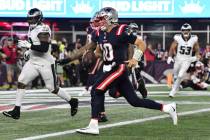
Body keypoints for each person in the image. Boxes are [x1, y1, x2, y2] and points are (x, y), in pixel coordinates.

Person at [73, 7, 177, 135]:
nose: (100, 22)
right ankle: (167, 108)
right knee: (135, 101)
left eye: (102, 19)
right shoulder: (101, 33)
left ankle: (93, 125)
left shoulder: (121, 30)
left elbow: (141, 44)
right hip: (110, 67)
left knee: (96, 90)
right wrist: (91, 56)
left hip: (119, 67)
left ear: (111, 19)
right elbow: (100, 53)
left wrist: (135, 59)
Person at [2, 8, 78, 119]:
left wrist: (28, 46)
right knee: (21, 82)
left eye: (32, 19)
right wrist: (29, 51)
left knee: (52, 88)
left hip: (45, 63)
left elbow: (44, 47)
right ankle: (16, 110)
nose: (30, 21)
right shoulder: (32, 28)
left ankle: (72, 101)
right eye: (29, 19)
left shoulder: (43, 29)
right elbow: (35, 43)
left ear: (39, 18)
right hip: (33, 62)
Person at [167, 23, 201, 98]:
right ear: (181, 31)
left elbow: (197, 49)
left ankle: (173, 91)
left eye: (187, 30)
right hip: (178, 59)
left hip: (187, 60)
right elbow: (172, 47)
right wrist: (170, 56)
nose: (185, 32)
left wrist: (196, 57)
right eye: (184, 30)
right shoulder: (178, 38)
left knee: (180, 75)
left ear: (190, 30)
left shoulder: (194, 38)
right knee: (175, 75)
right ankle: (176, 86)